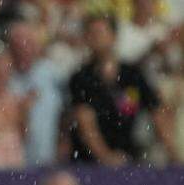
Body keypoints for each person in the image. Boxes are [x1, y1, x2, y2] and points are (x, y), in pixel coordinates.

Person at [69, 14, 178, 165]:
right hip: (89, 163)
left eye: (99, 33)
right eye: (90, 33)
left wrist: (174, 155)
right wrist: (106, 157)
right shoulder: (81, 78)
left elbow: (157, 112)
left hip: (128, 157)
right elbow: (85, 121)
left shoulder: (132, 75)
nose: (95, 38)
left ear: (113, 36)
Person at [7, 20, 63, 167]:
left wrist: (63, 144)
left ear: (37, 46)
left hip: (49, 158)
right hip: (13, 161)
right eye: (18, 44)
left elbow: (65, 113)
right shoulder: (3, 77)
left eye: (28, 43)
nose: (23, 49)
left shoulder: (52, 72)